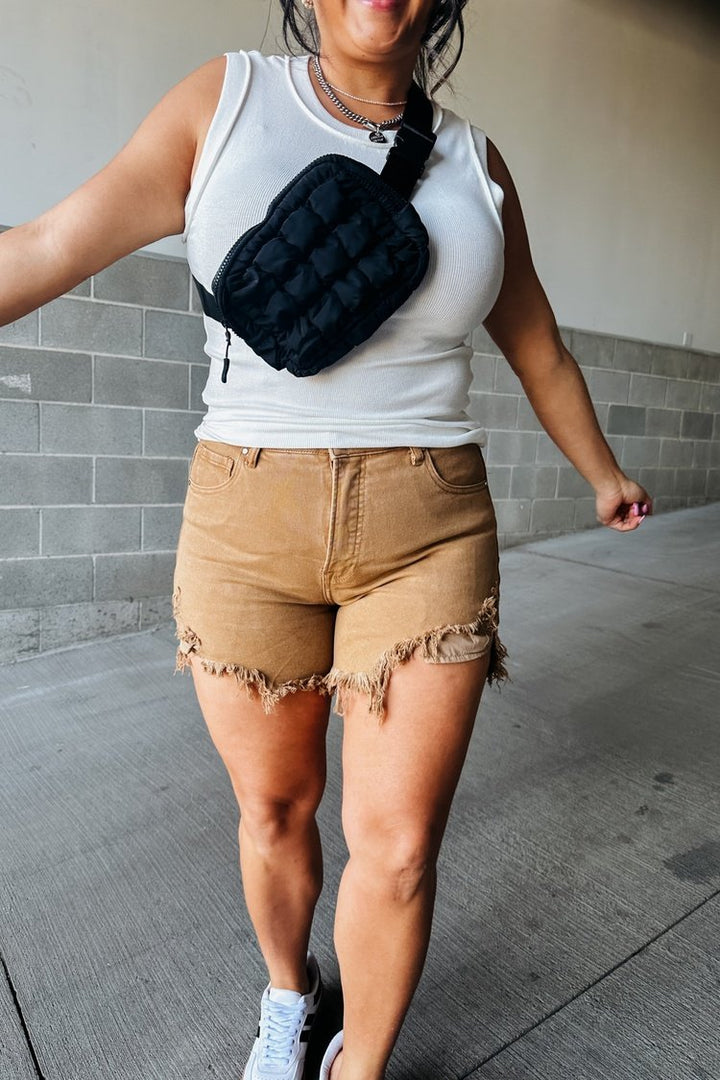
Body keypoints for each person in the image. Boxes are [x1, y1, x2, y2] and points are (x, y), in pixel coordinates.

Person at [0, 0, 652, 1075]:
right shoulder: (226, 100)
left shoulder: (479, 165)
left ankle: (359, 1066)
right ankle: (292, 995)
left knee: (394, 852)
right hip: (245, 520)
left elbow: (538, 347)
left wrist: (602, 472)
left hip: (429, 527)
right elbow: (49, 242)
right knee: (274, 807)